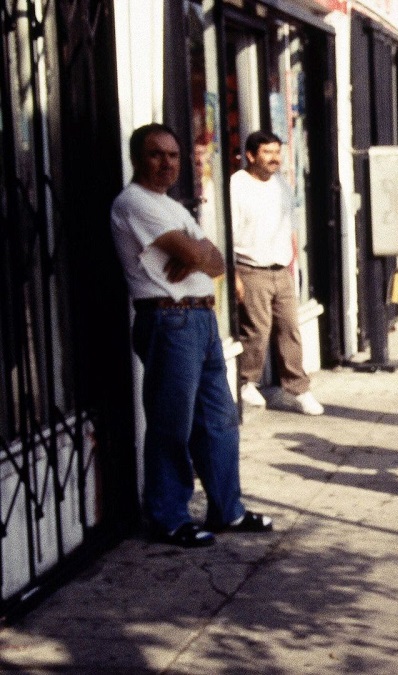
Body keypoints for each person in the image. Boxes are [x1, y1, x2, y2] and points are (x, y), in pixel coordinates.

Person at [110, 123, 273, 547]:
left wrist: (197, 255)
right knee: (172, 424)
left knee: (219, 420)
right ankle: (168, 517)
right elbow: (195, 252)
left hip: (201, 318)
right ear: (137, 158)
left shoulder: (173, 207)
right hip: (169, 321)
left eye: (173, 155)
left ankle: (227, 510)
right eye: (156, 154)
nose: (166, 163)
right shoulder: (134, 202)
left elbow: (217, 262)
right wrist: (194, 252)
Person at [230, 130, 324, 416]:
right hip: (251, 268)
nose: (274, 158)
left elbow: (290, 223)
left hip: (281, 268)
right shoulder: (237, 185)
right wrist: (234, 275)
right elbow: (227, 233)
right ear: (251, 156)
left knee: (290, 329)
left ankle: (298, 389)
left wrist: (293, 260)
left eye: (277, 152)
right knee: (256, 331)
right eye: (267, 152)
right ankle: (247, 382)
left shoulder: (281, 183)